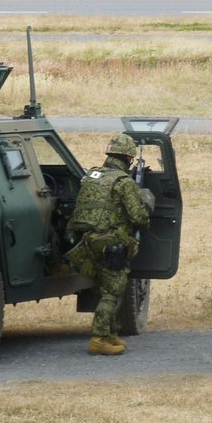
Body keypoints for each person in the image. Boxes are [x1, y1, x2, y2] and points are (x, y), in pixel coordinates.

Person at [65, 133, 154, 356]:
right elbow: (139, 218)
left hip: (86, 243)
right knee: (113, 291)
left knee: (106, 288)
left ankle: (110, 333)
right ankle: (98, 338)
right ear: (128, 159)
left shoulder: (91, 175)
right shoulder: (124, 183)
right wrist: (147, 202)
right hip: (111, 243)